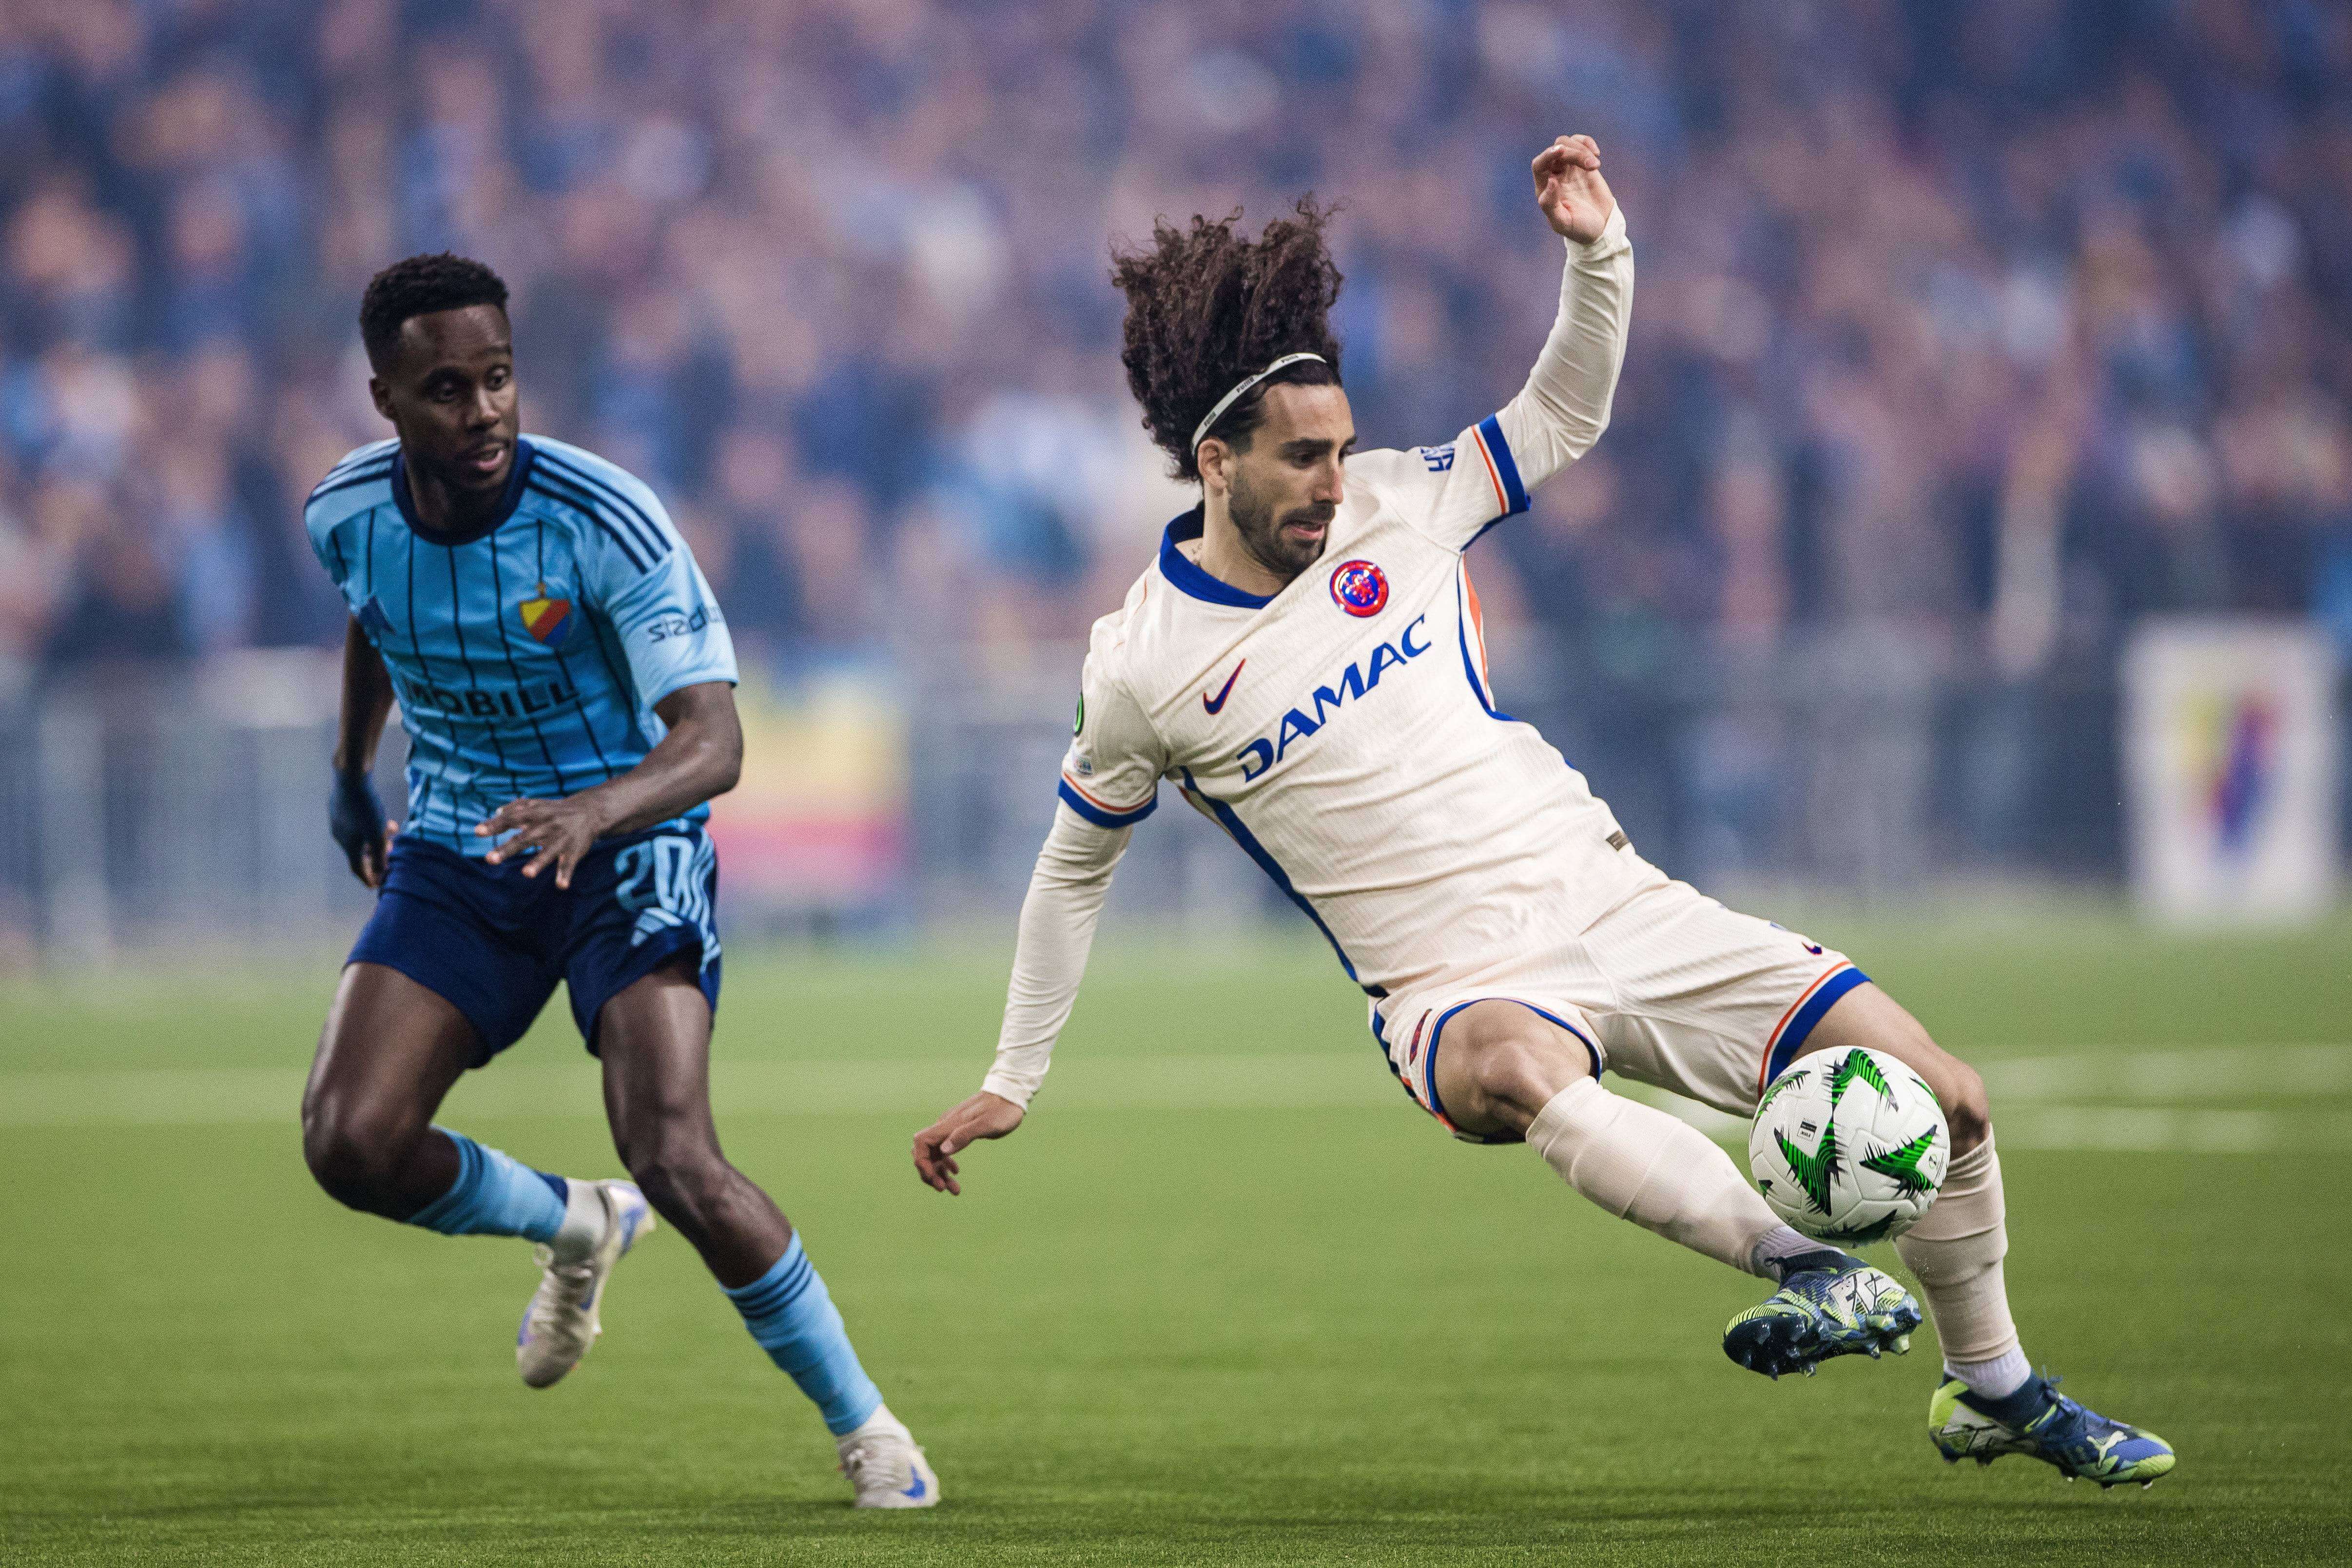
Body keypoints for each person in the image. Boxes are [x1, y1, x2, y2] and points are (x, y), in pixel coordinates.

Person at [912, 137, 2172, 1489]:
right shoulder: (1141, 667)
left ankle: (1995, 1388)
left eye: (1342, 450)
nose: (1334, 482)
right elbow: (1072, 870)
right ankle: (1807, 1269)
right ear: (1214, 462)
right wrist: (1012, 1077)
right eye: (1303, 458)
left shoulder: (1402, 504)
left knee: (1950, 1099)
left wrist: (1598, 253)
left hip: (1614, 901)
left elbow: (1560, 414)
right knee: (1519, 1070)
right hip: (1449, 988)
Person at [302, 252, 936, 1509]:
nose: (483, 410)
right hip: (465, 849)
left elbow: (716, 741)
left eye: (498, 378)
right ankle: (570, 1221)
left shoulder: (606, 520)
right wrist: (349, 773)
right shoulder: (345, 512)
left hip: (629, 847)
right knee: (349, 1144)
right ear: (386, 401)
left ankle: (870, 1428)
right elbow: (377, 614)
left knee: (675, 1156)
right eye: (447, 390)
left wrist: (594, 811)